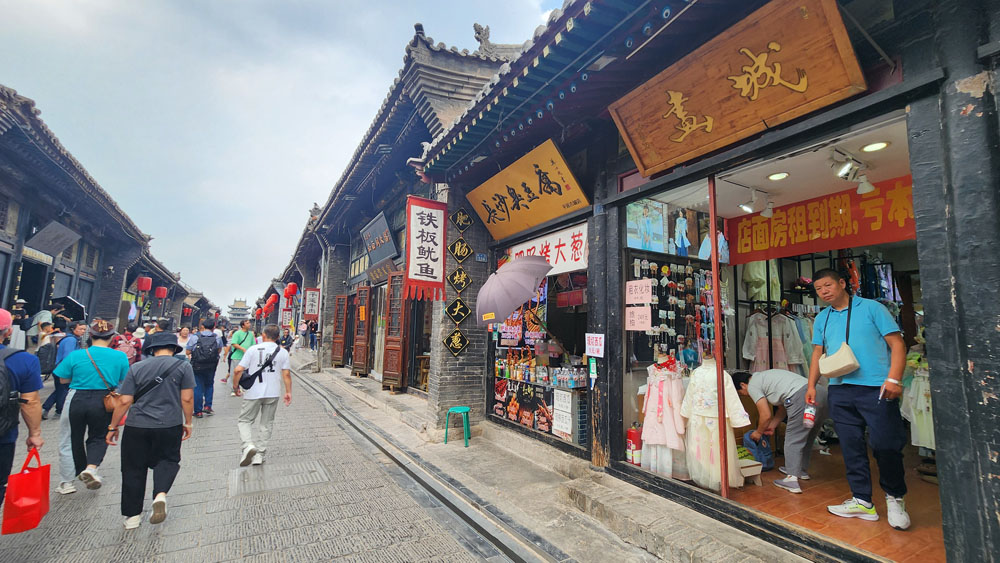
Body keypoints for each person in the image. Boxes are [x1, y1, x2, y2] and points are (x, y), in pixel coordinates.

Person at [807, 268, 909, 530]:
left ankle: (895, 498)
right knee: (850, 446)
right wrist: (811, 385)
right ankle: (862, 500)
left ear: (842, 283)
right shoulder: (822, 318)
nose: (824, 291)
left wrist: (894, 379)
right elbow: (818, 352)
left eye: (828, 285)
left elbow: (897, 344)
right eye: (818, 289)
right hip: (840, 388)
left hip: (876, 387)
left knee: (886, 444)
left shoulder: (872, 308)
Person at [106, 331, 194, 529]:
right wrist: (188, 422)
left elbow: (125, 400)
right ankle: (160, 494)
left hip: (137, 425)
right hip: (169, 424)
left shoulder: (137, 367)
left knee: (132, 468)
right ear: (174, 348)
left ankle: (132, 517)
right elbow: (187, 398)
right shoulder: (184, 366)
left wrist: (113, 426)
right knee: (168, 460)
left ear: (152, 349)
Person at [52, 319, 129, 490]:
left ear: (91, 335)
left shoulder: (77, 354)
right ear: (111, 338)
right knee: (99, 435)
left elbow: (63, 378)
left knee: (70, 438)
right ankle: (91, 468)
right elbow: (123, 380)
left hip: (76, 397)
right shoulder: (120, 356)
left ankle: (66, 482)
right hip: (104, 399)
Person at [733, 369, 828, 494]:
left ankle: (791, 479)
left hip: (802, 396)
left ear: (742, 385)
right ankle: (801, 470)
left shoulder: (753, 385)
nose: (745, 395)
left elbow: (765, 414)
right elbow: (782, 408)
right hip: (820, 394)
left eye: (741, 393)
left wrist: (758, 432)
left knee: (793, 439)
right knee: (807, 436)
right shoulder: (765, 377)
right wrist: (772, 426)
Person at [0, 308, 44, 503]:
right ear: (8, 332)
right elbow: (30, 402)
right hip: (3, 434)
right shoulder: (24, 360)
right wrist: (34, 434)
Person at [232, 324, 291, 467]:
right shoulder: (282, 352)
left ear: (263, 335)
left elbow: (238, 370)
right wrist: (288, 392)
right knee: (266, 423)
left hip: (253, 392)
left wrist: (235, 386)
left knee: (245, 420)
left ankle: (247, 446)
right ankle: (260, 454)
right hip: (273, 392)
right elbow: (286, 374)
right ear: (278, 337)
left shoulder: (253, 349)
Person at [42, 321, 86, 419]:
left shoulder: (71, 339)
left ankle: (46, 408)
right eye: (80, 329)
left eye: (84, 329)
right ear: (73, 329)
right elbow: (68, 357)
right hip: (63, 369)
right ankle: (58, 411)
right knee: (63, 390)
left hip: (60, 368)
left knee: (60, 390)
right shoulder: (71, 340)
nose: (83, 331)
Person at [186, 319, 223, 418]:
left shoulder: (195, 337)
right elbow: (219, 351)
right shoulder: (217, 338)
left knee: (197, 386)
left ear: (202, 326)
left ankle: (198, 411)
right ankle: (207, 406)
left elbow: (188, 352)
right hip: (211, 365)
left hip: (197, 365)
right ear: (213, 327)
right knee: (209, 384)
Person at [227, 320, 255, 394]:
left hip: (247, 357)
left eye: (249, 323)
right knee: (235, 372)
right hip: (237, 356)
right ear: (243, 325)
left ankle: (244, 387)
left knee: (245, 373)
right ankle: (234, 389)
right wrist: (243, 349)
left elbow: (253, 345)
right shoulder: (237, 333)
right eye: (247, 323)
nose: (249, 324)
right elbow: (233, 343)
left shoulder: (250, 334)